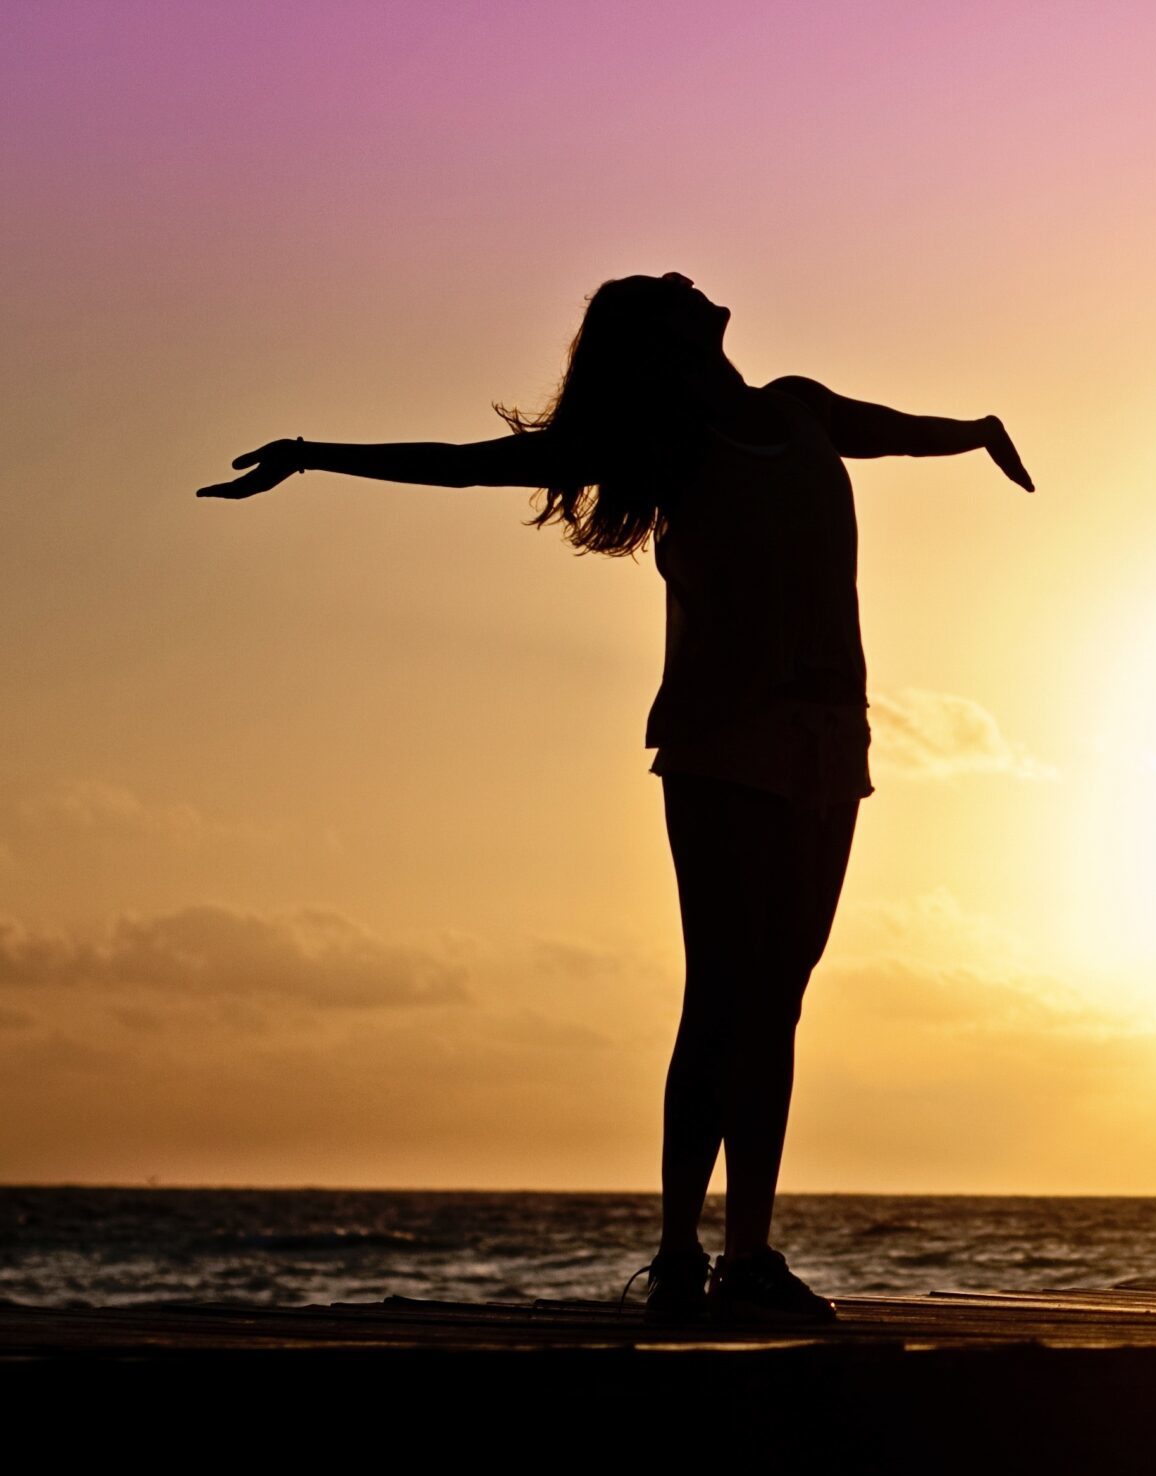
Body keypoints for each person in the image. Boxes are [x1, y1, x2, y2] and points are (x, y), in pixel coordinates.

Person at [198, 271, 1034, 1323]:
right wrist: (315, 455)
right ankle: (710, 1256)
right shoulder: (669, 445)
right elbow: (470, 468)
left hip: (832, 744)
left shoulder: (797, 409)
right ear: (665, 344)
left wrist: (977, 430)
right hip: (724, 742)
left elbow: (900, 432)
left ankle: (721, 1257)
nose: (693, 283)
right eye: (667, 292)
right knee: (736, 999)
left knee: (766, 1000)